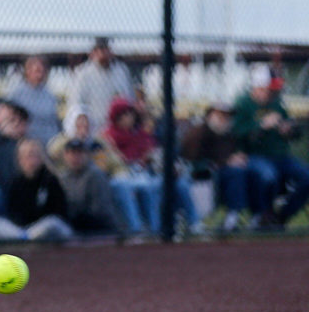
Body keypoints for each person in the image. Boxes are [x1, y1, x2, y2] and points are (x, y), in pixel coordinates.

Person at [102, 96, 203, 235]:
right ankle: (152, 230)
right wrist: (139, 161)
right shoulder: (108, 136)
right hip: (128, 175)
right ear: (116, 117)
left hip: (151, 173)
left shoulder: (141, 134)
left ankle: (193, 223)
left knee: (181, 184)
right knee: (151, 187)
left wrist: (156, 161)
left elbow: (156, 153)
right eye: (123, 115)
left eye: (129, 113)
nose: (128, 117)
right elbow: (114, 163)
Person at [232, 63, 309, 228]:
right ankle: (262, 216)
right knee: (268, 176)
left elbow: (292, 132)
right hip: (254, 155)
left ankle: (280, 217)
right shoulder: (243, 104)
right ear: (258, 86)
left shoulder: (277, 103)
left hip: (281, 156)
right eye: (269, 88)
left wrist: (288, 130)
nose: (274, 92)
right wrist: (261, 125)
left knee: (306, 177)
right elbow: (236, 133)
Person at [180, 101, 257, 232]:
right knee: (236, 173)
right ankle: (231, 218)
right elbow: (192, 159)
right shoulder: (199, 132)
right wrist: (225, 162)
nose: (225, 119)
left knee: (251, 171)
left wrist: (238, 157)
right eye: (221, 115)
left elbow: (231, 153)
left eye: (227, 116)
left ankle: (257, 216)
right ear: (210, 115)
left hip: (223, 170)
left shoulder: (227, 133)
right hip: (201, 174)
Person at [0, 138, 73, 242]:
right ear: (19, 159)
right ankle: (24, 237)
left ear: (41, 157)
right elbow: (12, 214)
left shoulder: (50, 180)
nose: (30, 160)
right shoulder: (15, 182)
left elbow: (58, 214)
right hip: (20, 230)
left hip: (44, 228)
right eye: (26, 156)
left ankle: (25, 237)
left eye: (33, 155)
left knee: (52, 223)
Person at [57, 138, 125, 236]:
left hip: (99, 230)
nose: (75, 157)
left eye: (79, 153)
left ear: (87, 155)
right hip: (74, 225)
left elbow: (100, 211)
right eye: (71, 153)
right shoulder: (63, 177)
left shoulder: (95, 175)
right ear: (65, 156)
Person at [67, 36, 134, 132]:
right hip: (92, 128)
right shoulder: (82, 73)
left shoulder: (121, 71)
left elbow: (130, 99)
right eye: (98, 50)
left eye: (105, 49)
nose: (102, 53)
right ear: (91, 53)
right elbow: (76, 105)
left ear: (111, 51)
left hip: (118, 127)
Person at [9, 55, 60, 145]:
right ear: (27, 71)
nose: (40, 74)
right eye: (37, 71)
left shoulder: (50, 95)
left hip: (50, 142)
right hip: (27, 142)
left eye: (43, 71)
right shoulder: (17, 94)